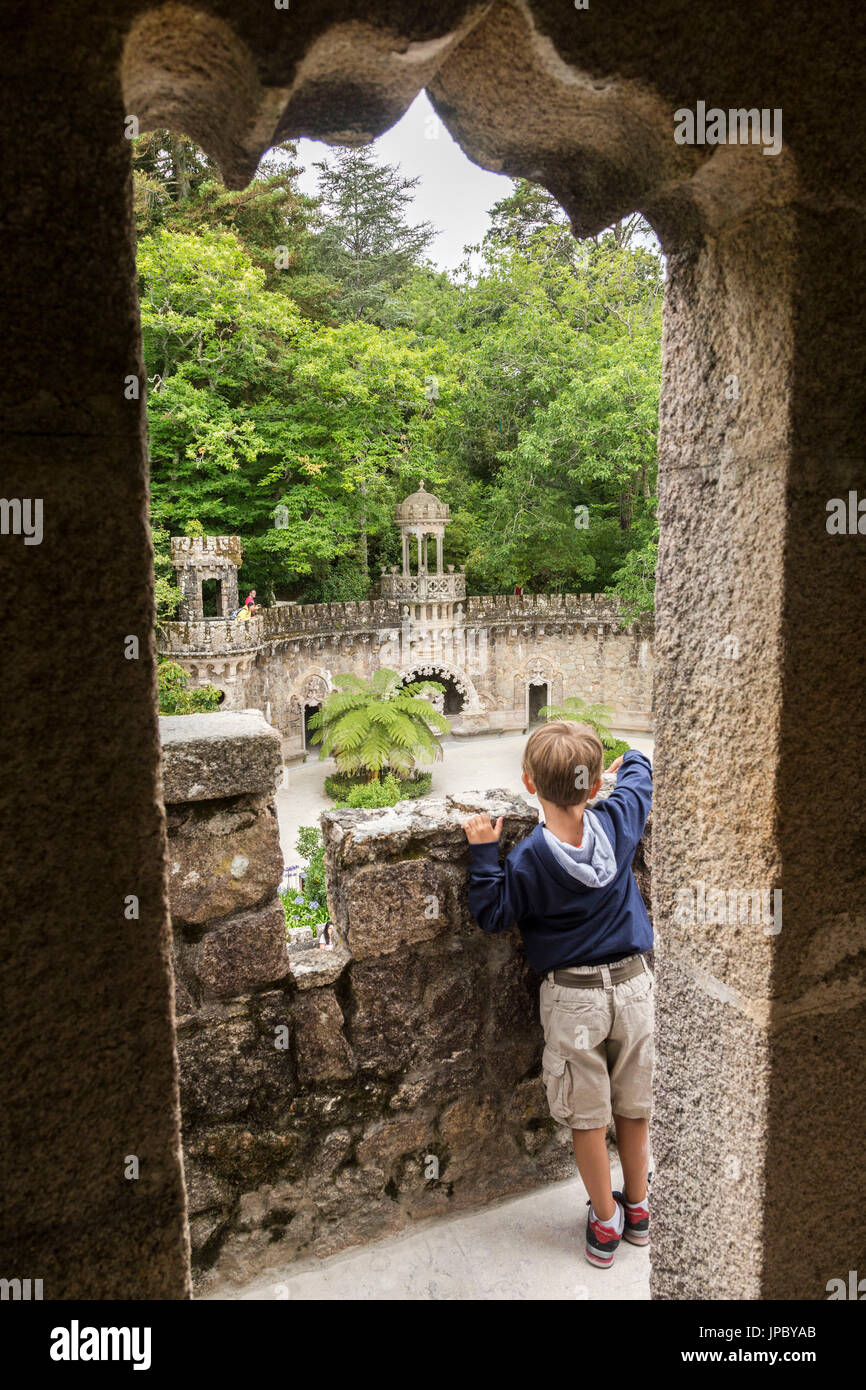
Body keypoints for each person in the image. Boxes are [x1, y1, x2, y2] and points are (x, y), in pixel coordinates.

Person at [463, 721, 653, 1269]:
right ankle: (638, 1209)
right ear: (594, 787)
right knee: (634, 1108)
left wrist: (483, 854)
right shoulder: (619, 821)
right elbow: (639, 768)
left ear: (528, 783)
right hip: (636, 987)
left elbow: (493, 914)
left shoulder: (524, 862)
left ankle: (605, 1223)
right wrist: (621, 771)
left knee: (589, 1117)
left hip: (575, 1000)